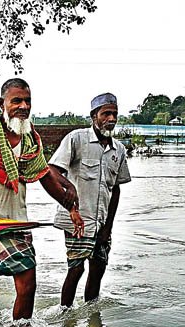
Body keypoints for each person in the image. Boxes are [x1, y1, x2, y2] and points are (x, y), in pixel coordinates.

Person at [0, 78, 83, 321]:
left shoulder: (30, 138)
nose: (23, 106)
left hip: (15, 224)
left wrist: (71, 207)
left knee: (27, 287)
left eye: (27, 101)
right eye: (16, 101)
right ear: (2, 103)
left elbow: (46, 178)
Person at [49, 93, 132, 306]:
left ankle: (92, 320)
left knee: (98, 270)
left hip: (102, 224)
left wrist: (108, 228)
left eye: (114, 114)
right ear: (94, 115)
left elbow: (116, 190)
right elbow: (52, 171)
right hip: (78, 222)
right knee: (75, 269)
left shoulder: (119, 150)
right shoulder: (77, 139)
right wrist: (68, 191)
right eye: (106, 114)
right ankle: (66, 318)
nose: (111, 119)